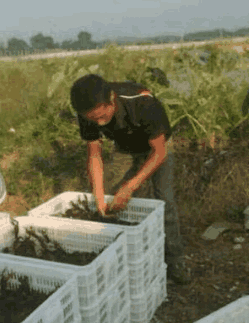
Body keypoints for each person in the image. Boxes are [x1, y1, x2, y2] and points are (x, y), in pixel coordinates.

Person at [70, 73, 190, 284]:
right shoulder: (87, 110)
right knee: (109, 198)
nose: (98, 122)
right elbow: (94, 154)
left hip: (156, 146)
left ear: (112, 100)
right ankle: (121, 259)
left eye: (102, 116)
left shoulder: (143, 103)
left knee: (164, 202)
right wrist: (98, 196)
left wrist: (130, 186)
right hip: (124, 148)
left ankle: (176, 261)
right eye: (93, 119)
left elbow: (159, 152)